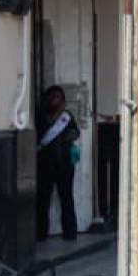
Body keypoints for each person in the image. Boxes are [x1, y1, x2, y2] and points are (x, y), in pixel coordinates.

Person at [35, 84, 80, 239]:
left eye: (58, 98)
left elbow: (76, 132)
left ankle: (70, 232)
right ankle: (40, 233)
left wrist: (71, 134)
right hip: (46, 164)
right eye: (52, 97)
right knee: (43, 199)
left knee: (66, 197)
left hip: (65, 164)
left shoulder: (66, 117)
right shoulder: (41, 117)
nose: (55, 101)